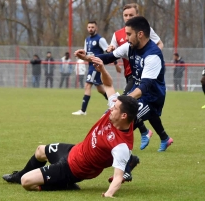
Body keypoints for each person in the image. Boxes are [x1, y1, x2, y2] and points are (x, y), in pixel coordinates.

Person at [3, 57, 139, 198]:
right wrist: (102, 69)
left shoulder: (121, 146)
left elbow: (118, 177)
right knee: (40, 151)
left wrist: (109, 194)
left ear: (123, 116)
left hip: (74, 169)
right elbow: (109, 85)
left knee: (27, 182)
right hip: (74, 150)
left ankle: (64, 184)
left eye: (115, 108)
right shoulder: (115, 112)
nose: (111, 108)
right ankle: (18, 176)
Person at [76, 16, 173, 153]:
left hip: (151, 99)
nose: (126, 38)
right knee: (108, 116)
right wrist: (87, 57)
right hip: (136, 92)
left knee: (120, 120)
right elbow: (109, 57)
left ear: (140, 34)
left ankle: (120, 160)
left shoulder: (153, 56)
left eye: (128, 34)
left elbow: (144, 87)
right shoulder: (130, 47)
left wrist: (123, 101)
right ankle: (102, 151)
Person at [107, 3, 165, 150]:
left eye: (131, 15)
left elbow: (159, 44)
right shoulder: (118, 34)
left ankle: (122, 149)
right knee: (136, 110)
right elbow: (111, 54)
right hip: (130, 73)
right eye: (125, 15)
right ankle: (161, 136)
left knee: (126, 113)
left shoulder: (143, 30)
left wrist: (151, 61)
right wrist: (105, 54)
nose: (128, 18)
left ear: (137, 15)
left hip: (141, 76)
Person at [72, 20, 108, 115]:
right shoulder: (87, 39)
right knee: (100, 88)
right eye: (89, 27)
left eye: (92, 27)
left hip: (95, 65)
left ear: (96, 28)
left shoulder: (100, 39)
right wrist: (80, 54)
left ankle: (83, 110)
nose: (90, 29)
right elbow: (85, 53)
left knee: (87, 85)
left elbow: (108, 51)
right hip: (90, 65)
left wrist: (116, 64)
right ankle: (115, 102)